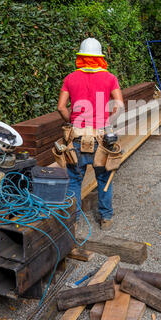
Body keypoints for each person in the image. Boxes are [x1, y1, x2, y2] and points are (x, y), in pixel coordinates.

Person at [57, 37, 124, 230]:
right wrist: (107, 123)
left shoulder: (70, 78)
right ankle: (106, 218)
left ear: (81, 57)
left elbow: (61, 107)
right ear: (100, 58)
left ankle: (74, 222)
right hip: (100, 139)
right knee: (104, 179)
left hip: (76, 138)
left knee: (74, 182)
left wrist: (71, 120)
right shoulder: (110, 78)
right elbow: (119, 105)